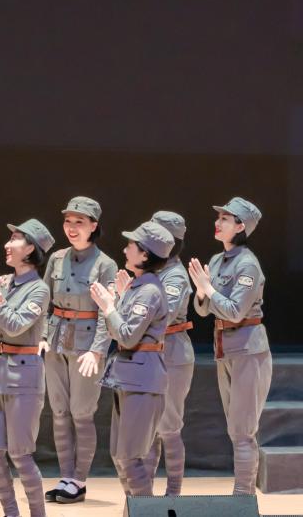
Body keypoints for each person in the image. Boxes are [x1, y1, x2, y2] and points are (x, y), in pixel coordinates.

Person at [0, 219, 54, 517]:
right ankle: (10, 513)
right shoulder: (3, 283)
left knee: (20, 455)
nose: (7, 244)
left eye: (15, 239)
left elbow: (15, 326)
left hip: (24, 378)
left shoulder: (39, 290)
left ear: (30, 249)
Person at [189, 197, 270, 495]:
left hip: (248, 349)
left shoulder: (248, 264)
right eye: (219, 217)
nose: (218, 222)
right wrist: (202, 292)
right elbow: (202, 310)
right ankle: (241, 495)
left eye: (225, 218)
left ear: (240, 226)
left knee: (242, 430)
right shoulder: (216, 260)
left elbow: (235, 311)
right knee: (234, 428)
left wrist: (209, 290)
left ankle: (243, 497)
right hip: (224, 347)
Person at [40, 196, 117, 504]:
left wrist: (98, 350)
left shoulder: (105, 264)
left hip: (86, 347)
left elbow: (107, 311)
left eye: (79, 222)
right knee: (59, 412)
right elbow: (44, 303)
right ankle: (66, 477)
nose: (71, 228)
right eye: (68, 221)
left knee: (82, 414)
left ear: (93, 226)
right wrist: (42, 336)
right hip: (56, 342)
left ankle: (79, 480)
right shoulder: (57, 259)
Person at [91, 222, 172, 497]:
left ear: (145, 254)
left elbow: (126, 336)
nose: (125, 249)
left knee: (130, 458)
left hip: (142, 378)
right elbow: (118, 331)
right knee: (120, 455)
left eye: (131, 245)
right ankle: (135, 509)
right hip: (129, 377)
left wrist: (109, 307)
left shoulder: (149, 291)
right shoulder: (138, 287)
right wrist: (116, 304)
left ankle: (145, 512)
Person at [144, 211, 194, 496]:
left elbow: (165, 316)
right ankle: (145, 496)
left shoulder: (175, 275)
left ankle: (173, 494)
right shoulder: (152, 271)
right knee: (149, 427)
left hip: (172, 353)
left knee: (169, 426)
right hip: (150, 352)